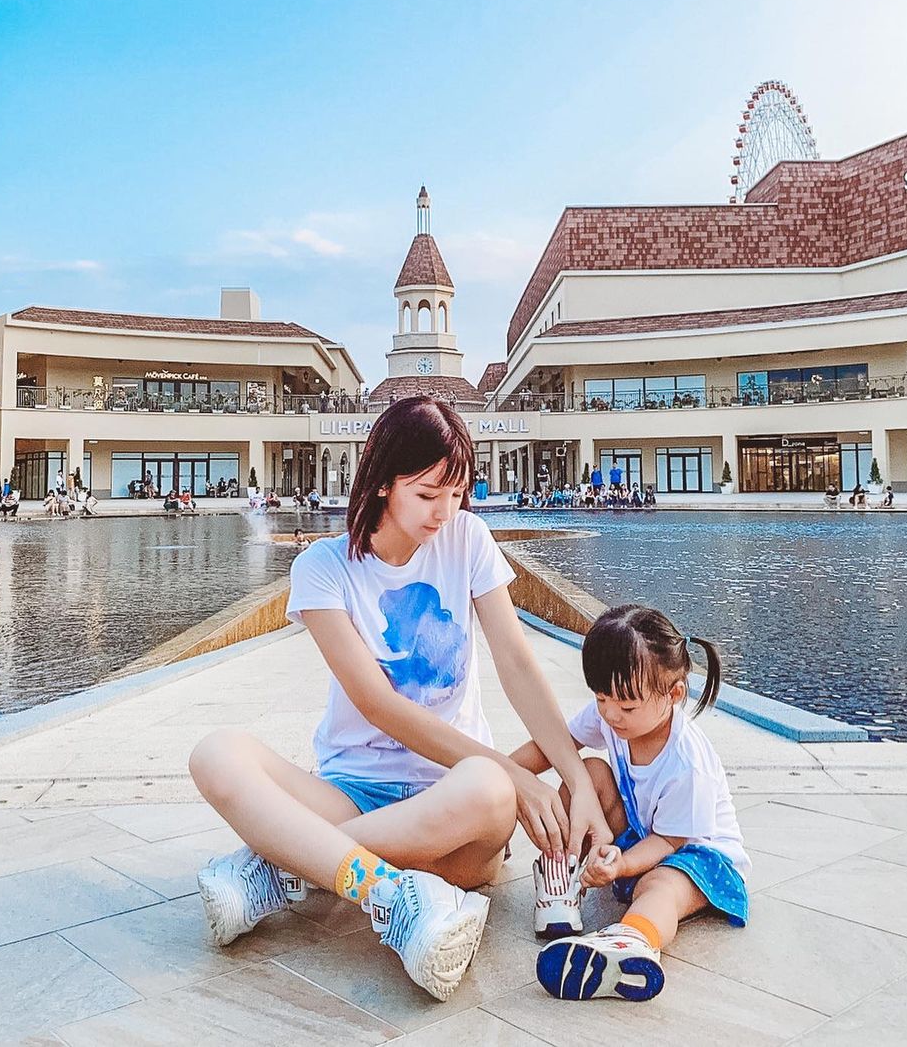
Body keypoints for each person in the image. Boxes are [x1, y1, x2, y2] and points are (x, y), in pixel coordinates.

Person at [189, 397, 611, 1002]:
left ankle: (288, 861)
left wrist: (566, 776)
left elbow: (517, 664)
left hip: (454, 804)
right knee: (215, 753)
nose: (446, 510)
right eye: (427, 493)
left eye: (457, 491)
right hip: (352, 791)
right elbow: (376, 704)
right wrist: (517, 779)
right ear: (384, 481)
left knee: (489, 786)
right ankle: (389, 893)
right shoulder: (324, 567)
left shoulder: (468, 539)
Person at [511, 604, 749, 1002]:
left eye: (626, 705)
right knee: (586, 771)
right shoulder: (613, 712)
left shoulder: (686, 763)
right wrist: (503, 773)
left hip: (699, 857)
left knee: (659, 885)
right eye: (601, 698)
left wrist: (622, 863)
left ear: (674, 694)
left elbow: (669, 843)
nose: (610, 714)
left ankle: (633, 940)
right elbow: (556, 746)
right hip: (643, 832)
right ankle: (561, 873)